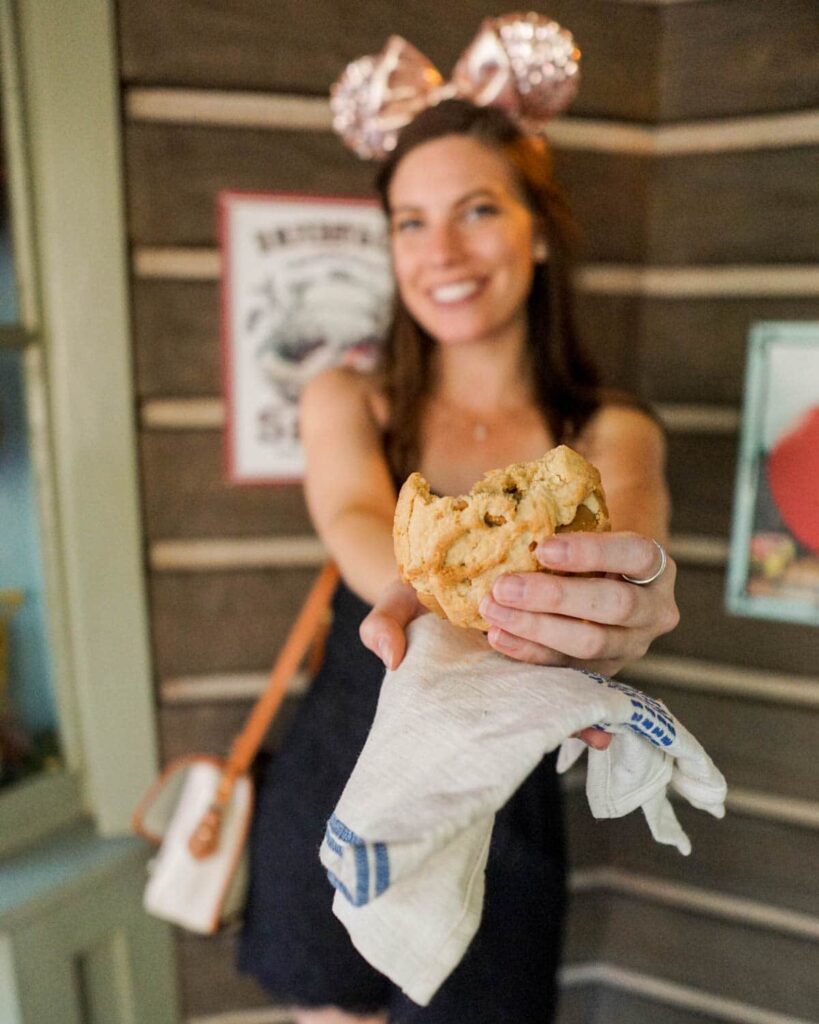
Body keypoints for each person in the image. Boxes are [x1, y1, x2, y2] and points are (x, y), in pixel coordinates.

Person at [238, 57, 679, 1024]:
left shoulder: (609, 433)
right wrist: (426, 586)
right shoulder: (348, 400)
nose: (440, 250)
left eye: (477, 210)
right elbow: (358, 522)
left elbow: (634, 538)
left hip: (503, 800)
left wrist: (624, 599)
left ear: (538, 234)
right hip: (340, 772)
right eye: (409, 221)